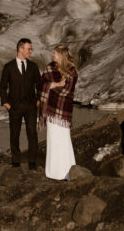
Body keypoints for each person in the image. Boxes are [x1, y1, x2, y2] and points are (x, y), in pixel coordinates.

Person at [0, 38, 42, 169]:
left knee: (32, 134)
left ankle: (33, 162)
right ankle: (16, 162)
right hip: (15, 107)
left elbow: (39, 85)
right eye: (29, 49)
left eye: (31, 49)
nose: (31, 51)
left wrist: (38, 100)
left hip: (31, 107)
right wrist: (6, 103)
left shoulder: (33, 66)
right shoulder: (8, 67)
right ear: (20, 49)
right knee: (14, 134)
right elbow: (2, 87)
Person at [40, 44, 78, 180]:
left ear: (61, 55)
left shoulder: (72, 71)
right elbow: (41, 85)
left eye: (55, 53)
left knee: (64, 140)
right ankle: (53, 172)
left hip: (63, 113)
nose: (52, 55)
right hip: (51, 112)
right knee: (53, 141)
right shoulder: (50, 68)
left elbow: (67, 91)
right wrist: (54, 84)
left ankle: (67, 171)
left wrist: (53, 87)